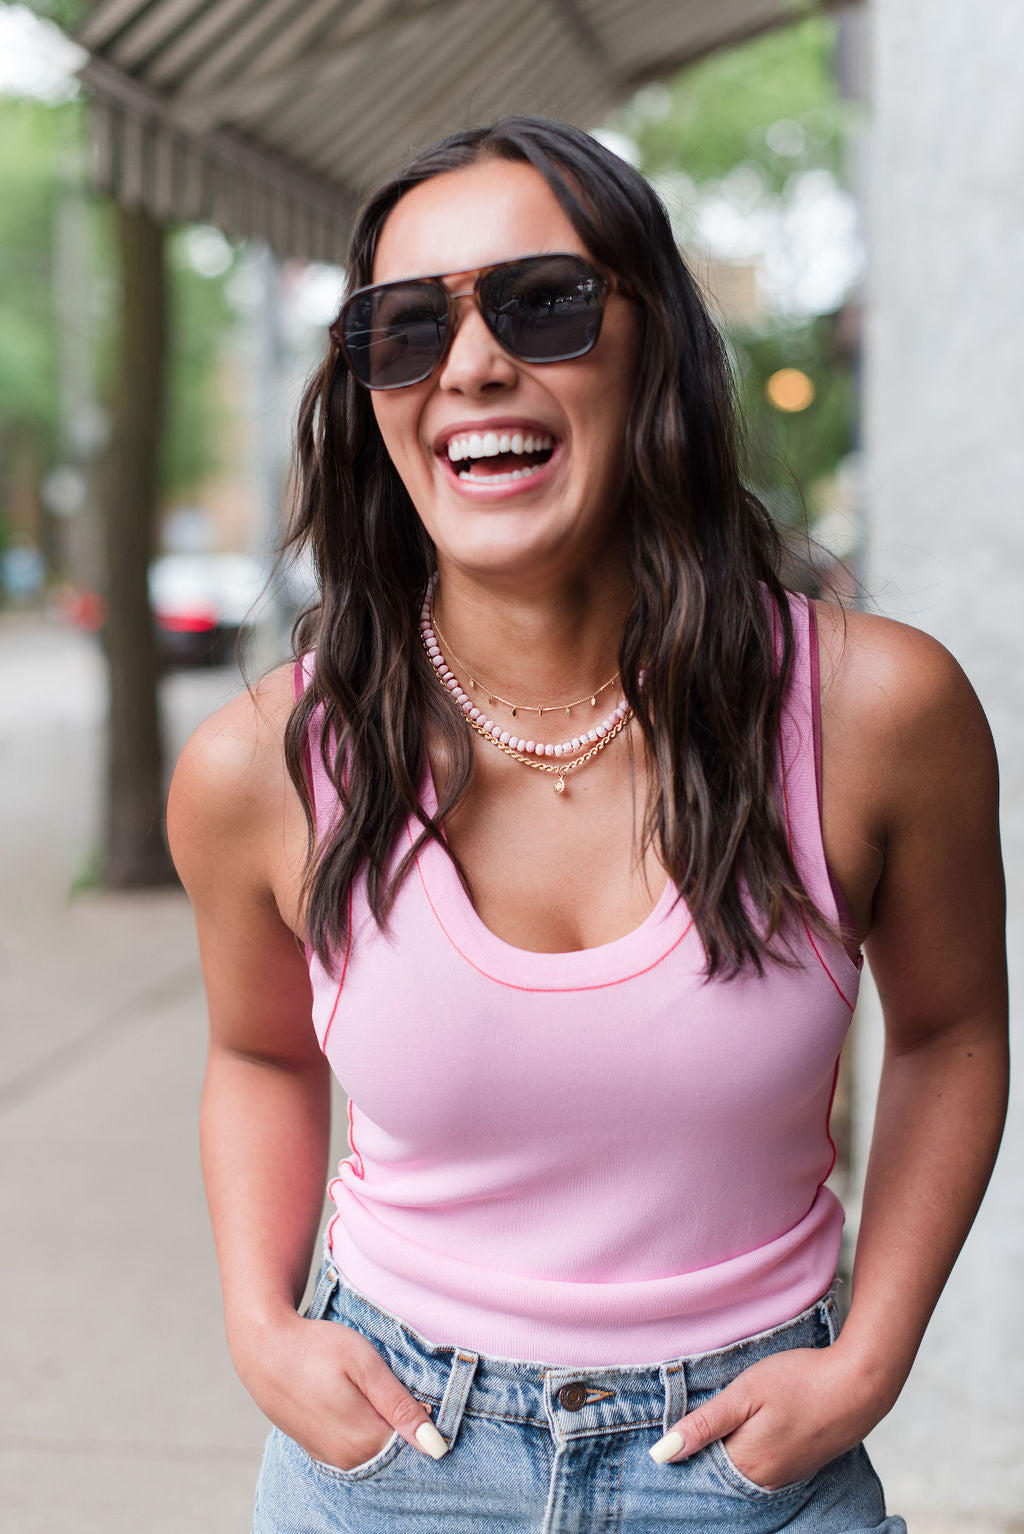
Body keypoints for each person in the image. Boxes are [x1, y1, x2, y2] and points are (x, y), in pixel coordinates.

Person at [167, 117, 1008, 1533]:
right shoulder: (261, 765)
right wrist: (261, 1322)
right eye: (405, 327)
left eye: (541, 302)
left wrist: (870, 1354)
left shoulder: (879, 712)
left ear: (654, 345)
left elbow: (950, 1030)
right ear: (367, 390)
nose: (473, 362)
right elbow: (257, 1050)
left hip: (752, 1464)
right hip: (390, 1462)